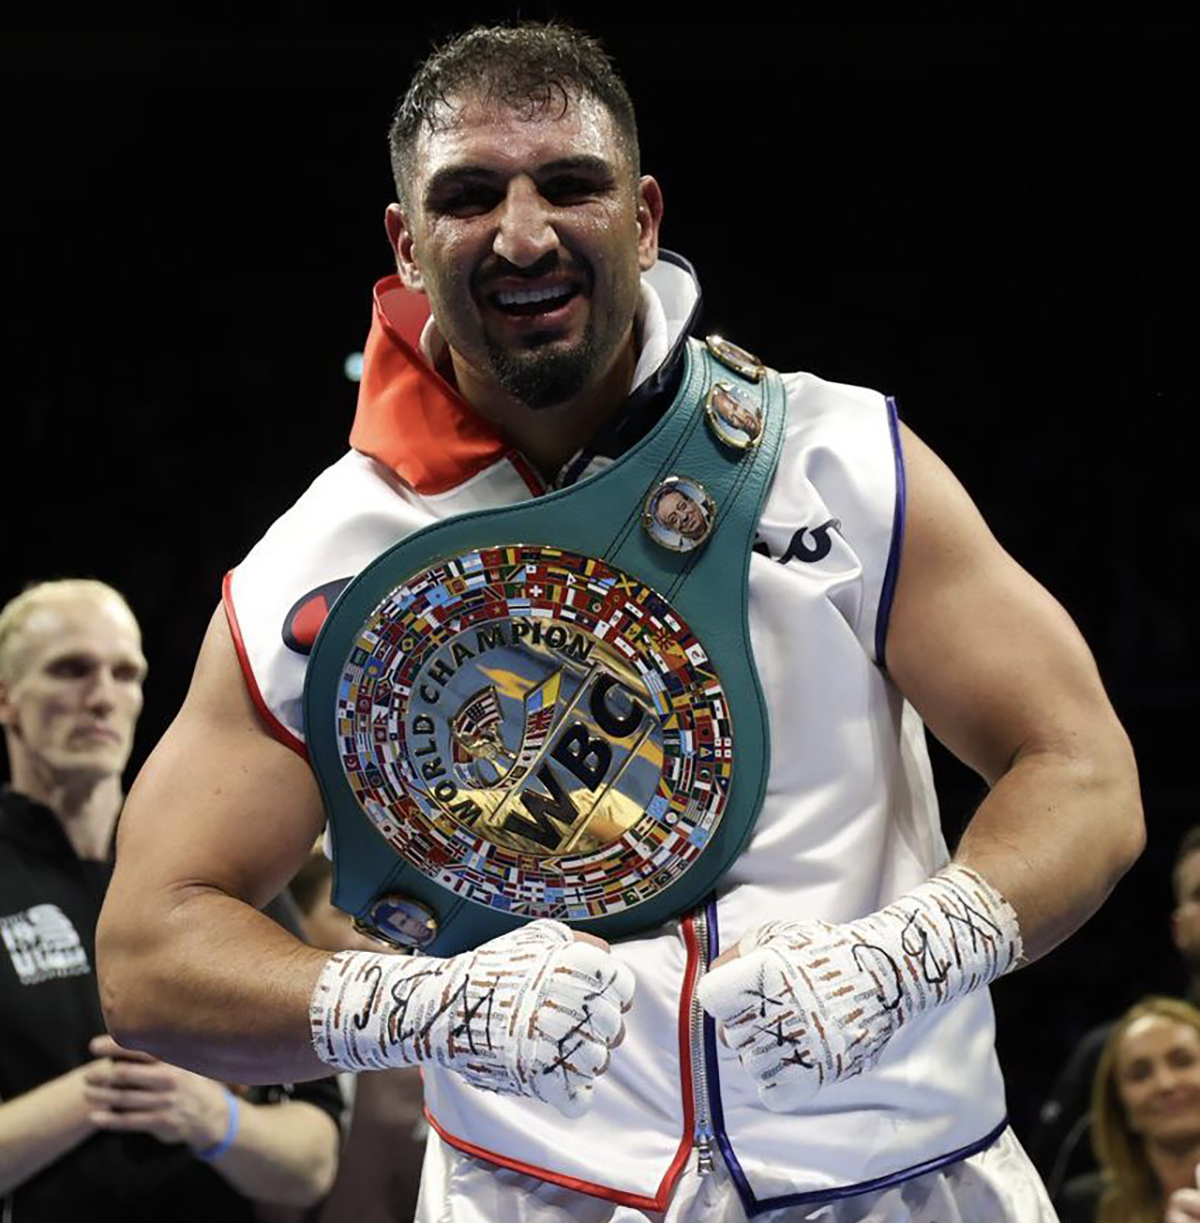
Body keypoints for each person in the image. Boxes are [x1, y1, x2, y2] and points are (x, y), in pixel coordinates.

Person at [96, 22, 1144, 1223]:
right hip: (535, 1196)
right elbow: (149, 951)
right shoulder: (322, 562)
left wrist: (918, 948)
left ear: (643, 218)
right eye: (471, 195)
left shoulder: (834, 457)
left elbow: (1083, 769)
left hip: (907, 1179)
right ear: (406, 241)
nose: (524, 232)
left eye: (571, 185)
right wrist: (417, 1008)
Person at [0, 579, 342, 1222]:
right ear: (6, 699)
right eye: (70, 670)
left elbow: (314, 1165)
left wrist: (213, 1117)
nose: (102, 697)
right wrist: (99, 1095)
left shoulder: (211, 866)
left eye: (124, 673)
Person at [1033, 826, 1200, 1200]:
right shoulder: (1114, 1051)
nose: (1166, 1082)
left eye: (1183, 1061)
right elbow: (1046, 1199)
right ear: (1178, 926)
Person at [288, 852, 427, 1223]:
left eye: (386, 928)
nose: (372, 944)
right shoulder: (249, 1047)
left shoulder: (418, 1065)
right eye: (349, 919)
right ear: (292, 922)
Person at [1056, 998, 1200, 1223]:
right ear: (1120, 1107)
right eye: (1140, 1074)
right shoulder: (1083, 1207)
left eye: (1183, 1062)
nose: (1165, 1084)